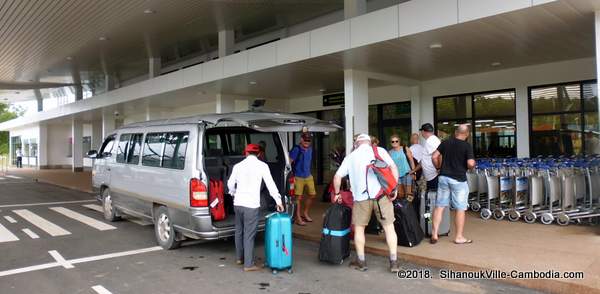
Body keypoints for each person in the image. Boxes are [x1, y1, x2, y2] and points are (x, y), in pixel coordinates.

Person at [332, 134, 400, 273]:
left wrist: (338, 193)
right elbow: (393, 167)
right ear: (369, 143)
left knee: (359, 229)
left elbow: (337, 176)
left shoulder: (351, 157)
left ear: (356, 144)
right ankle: (394, 262)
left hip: (361, 199)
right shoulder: (379, 151)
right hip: (382, 197)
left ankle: (361, 261)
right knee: (389, 228)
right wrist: (394, 188)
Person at [227, 143, 284, 272]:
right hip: (251, 205)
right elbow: (270, 184)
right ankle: (248, 264)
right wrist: (278, 201)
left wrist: (233, 193)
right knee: (249, 234)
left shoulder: (238, 166)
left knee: (239, 230)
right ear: (259, 154)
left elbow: (230, 183)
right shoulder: (262, 166)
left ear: (245, 153)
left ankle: (239, 258)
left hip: (238, 203)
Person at [431, 124, 475, 245]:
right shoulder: (467, 146)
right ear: (467, 134)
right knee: (460, 208)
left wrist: (438, 167)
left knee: (439, 206)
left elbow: (434, 156)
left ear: (456, 132)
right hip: (458, 180)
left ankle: (434, 234)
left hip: (443, 177)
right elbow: (470, 163)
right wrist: (472, 165)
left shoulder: (445, 143)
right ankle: (459, 237)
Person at [289, 133, 316, 226]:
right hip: (298, 176)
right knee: (298, 198)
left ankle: (305, 213)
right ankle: (298, 218)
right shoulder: (296, 149)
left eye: (308, 140)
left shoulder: (310, 149)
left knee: (312, 195)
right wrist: (290, 175)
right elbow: (289, 162)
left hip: (308, 176)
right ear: (301, 139)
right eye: (305, 140)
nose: (307, 142)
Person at [419, 123, 441, 191]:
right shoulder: (432, 139)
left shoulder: (431, 141)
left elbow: (438, 155)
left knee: (432, 197)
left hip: (433, 175)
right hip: (431, 175)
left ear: (423, 131)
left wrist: (438, 168)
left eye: (421, 131)